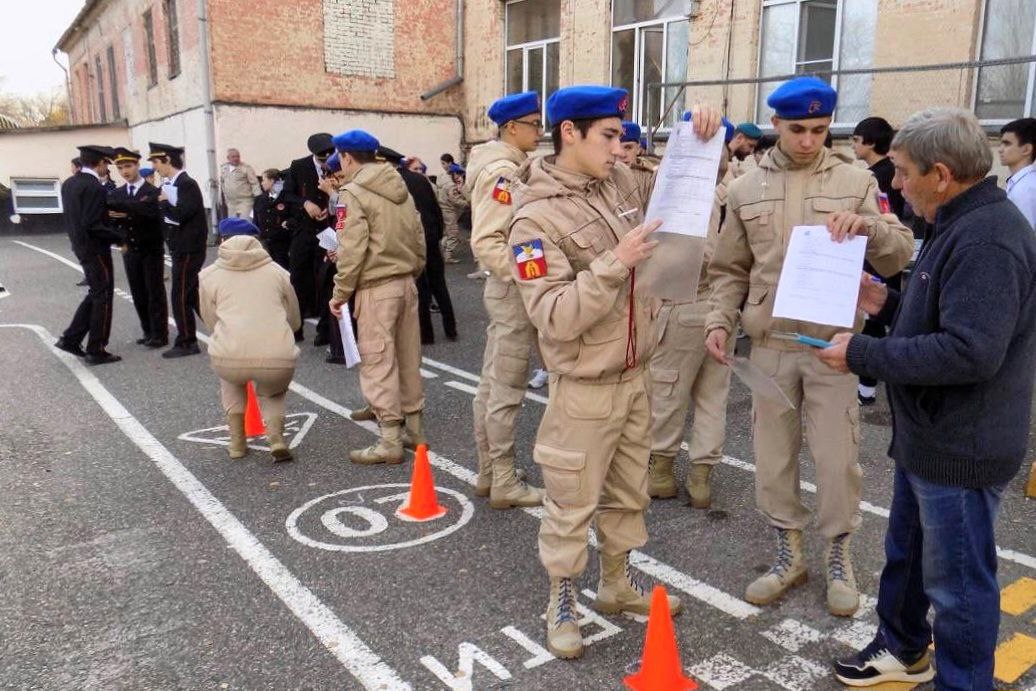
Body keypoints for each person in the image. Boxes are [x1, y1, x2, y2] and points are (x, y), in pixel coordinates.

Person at [816, 107, 1036, 689]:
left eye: (904, 171)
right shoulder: (957, 220)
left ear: (941, 173)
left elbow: (969, 352)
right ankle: (903, 646)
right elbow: (940, 319)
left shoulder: (989, 239)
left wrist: (862, 355)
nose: (894, 183)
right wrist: (884, 306)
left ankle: (963, 682)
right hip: (929, 435)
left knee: (959, 585)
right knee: (908, 556)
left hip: (962, 443)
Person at [509, 85, 722, 658]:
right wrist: (613, 263)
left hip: (638, 376)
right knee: (571, 500)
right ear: (570, 132)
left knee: (628, 495)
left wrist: (699, 136)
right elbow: (552, 315)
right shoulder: (533, 219)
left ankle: (616, 583)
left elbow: (683, 191)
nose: (619, 146)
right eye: (608, 135)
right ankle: (560, 596)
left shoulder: (622, 184)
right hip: (583, 386)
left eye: (622, 136)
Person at [705, 77, 914, 617]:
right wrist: (719, 321)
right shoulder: (745, 187)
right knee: (772, 457)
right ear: (775, 125)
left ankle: (839, 553)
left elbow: (898, 254)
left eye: (820, 130)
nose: (808, 140)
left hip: (834, 346)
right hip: (771, 342)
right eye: (797, 129)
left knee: (837, 456)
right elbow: (730, 269)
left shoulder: (855, 179)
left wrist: (869, 227)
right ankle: (788, 553)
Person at [647, 126, 736, 508]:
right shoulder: (737, 188)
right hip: (724, 308)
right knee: (713, 397)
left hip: (684, 303)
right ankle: (702, 477)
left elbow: (699, 255)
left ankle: (661, 471)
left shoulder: (688, 195)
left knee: (667, 392)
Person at [328, 130, 427, 465]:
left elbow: (351, 247)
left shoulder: (351, 193)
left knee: (377, 359)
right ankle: (415, 428)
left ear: (346, 156)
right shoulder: (400, 186)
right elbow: (418, 233)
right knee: (408, 355)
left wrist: (341, 291)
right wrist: (413, 270)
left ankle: (389, 439)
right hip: (406, 282)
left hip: (376, 286)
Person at [467, 90, 546, 507]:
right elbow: (490, 241)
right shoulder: (502, 172)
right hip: (513, 293)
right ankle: (502, 479)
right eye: (534, 124)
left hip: (510, 290)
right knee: (506, 389)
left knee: (492, 384)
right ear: (511, 127)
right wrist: (531, 277)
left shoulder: (512, 165)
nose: (541, 130)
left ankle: (488, 471)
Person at [199, 218, 301, 462]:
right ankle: (276, 438)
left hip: (231, 355)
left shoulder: (208, 276)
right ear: (257, 242)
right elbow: (294, 318)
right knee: (272, 393)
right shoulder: (278, 272)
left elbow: (210, 320)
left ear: (223, 241)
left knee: (231, 382)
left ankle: (237, 442)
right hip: (276, 356)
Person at [851, 116, 907, 405]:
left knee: (871, 316)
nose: (853, 146)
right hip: (888, 256)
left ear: (871, 142)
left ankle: (867, 387)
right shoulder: (884, 172)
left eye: (856, 140)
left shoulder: (877, 177)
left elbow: (882, 217)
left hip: (877, 256)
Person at [55, 145, 125, 365]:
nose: (107, 169)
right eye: (107, 164)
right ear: (101, 163)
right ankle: (97, 348)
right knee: (102, 296)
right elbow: (93, 224)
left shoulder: (70, 183)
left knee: (96, 293)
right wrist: (119, 237)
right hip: (95, 248)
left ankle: (71, 338)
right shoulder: (94, 187)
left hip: (80, 246)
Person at [382, 147, 458, 344]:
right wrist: (438, 234)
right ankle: (451, 329)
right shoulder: (420, 179)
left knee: (420, 287)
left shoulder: (390, 183)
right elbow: (435, 208)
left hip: (410, 240)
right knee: (439, 284)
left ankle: (426, 334)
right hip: (431, 237)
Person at [148, 142, 208, 358]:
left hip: (189, 248)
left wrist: (164, 202)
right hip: (180, 247)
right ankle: (222, 328)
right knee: (190, 295)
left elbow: (182, 214)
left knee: (180, 295)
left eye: (156, 162)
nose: (155, 167)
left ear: (167, 160)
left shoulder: (186, 184)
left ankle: (187, 341)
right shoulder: (171, 184)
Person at [107, 147, 168, 348]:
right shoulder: (117, 193)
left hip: (151, 247)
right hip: (129, 248)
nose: (125, 171)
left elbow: (152, 216)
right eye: (121, 168)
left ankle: (159, 333)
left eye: (129, 166)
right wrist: (120, 241)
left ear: (137, 166)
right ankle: (147, 330)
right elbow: (112, 220)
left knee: (154, 291)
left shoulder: (152, 191)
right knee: (138, 292)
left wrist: (127, 213)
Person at [283, 133, 334, 341]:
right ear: (314, 155)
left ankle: (325, 330)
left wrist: (330, 210)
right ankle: (296, 328)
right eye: (322, 159)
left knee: (327, 279)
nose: (326, 162)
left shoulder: (338, 165)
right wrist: (305, 203)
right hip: (304, 231)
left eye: (329, 158)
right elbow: (286, 195)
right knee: (298, 279)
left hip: (328, 231)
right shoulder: (299, 166)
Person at [999, 117, 1036, 229]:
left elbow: (1023, 235)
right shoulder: (1019, 183)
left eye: (1007, 144)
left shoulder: (1026, 189)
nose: (1000, 149)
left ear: (1026, 149)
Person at [254, 168, 292, 270]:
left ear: (272, 181)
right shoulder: (259, 199)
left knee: (282, 268)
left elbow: (291, 216)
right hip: (264, 242)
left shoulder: (286, 198)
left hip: (281, 243)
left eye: (264, 180)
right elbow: (256, 221)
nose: (262, 183)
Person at [438, 163, 469, 264]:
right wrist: (468, 204)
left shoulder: (444, 182)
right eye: (458, 174)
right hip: (449, 211)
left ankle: (442, 250)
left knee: (446, 232)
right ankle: (448, 256)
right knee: (453, 232)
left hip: (444, 209)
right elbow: (455, 199)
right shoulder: (451, 186)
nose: (459, 177)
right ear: (454, 174)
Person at [219, 148, 261, 219]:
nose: (236, 158)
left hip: (245, 201)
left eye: (238, 156)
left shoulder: (246, 168)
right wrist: (226, 198)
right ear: (228, 158)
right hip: (231, 202)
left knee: (245, 223)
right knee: (232, 224)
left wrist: (258, 198)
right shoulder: (224, 168)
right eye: (233, 157)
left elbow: (254, 183)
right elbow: (223, 183)